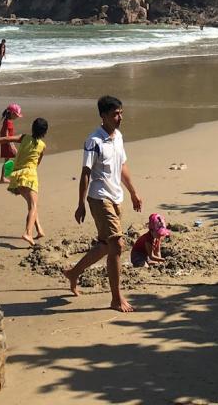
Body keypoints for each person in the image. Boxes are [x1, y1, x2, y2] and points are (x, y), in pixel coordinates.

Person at [62, 95, 143, 312]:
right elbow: (85, 173)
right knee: (117, 245)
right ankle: (116, 298)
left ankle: (73, 272)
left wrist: (133, 192)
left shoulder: (118, 137)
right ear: (103, 116)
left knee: (105, 245)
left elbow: (123, 166)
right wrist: (80, 204)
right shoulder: (94, 142)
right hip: (99, 197)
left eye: (121, 113)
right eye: (115, 114)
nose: (119, 118)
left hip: (116, 196)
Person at [0, 116, 47, 245]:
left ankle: (39, 229)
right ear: (44, 132)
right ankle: (28, 233)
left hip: (17, 176)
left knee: (31, 205)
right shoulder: (42, 146)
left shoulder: (24, 138)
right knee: (33, 205)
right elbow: (37, 164)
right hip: (30, 176)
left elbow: (6, 139)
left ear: (32, 128)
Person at [0, 103, 21, 183]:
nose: (17, 117)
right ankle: (8, 177)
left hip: (6, 142)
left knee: (8, 160)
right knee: (15, 158)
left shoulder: (7, 121)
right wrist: (11, 145)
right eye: (17, 115)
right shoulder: (8, 122)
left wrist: (11, 143)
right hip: (7, 143)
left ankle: (4, 178)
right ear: (12, 113)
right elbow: (6, 135)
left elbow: (4, 134)